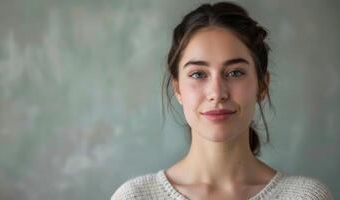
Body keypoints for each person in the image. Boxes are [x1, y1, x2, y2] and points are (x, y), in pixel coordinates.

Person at [111, 2, 333, 199]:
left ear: (262, 86)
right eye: (198, 74)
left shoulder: (306, 196)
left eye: (235, 73)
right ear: (178, 89)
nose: (217, 92)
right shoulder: (135, 197)